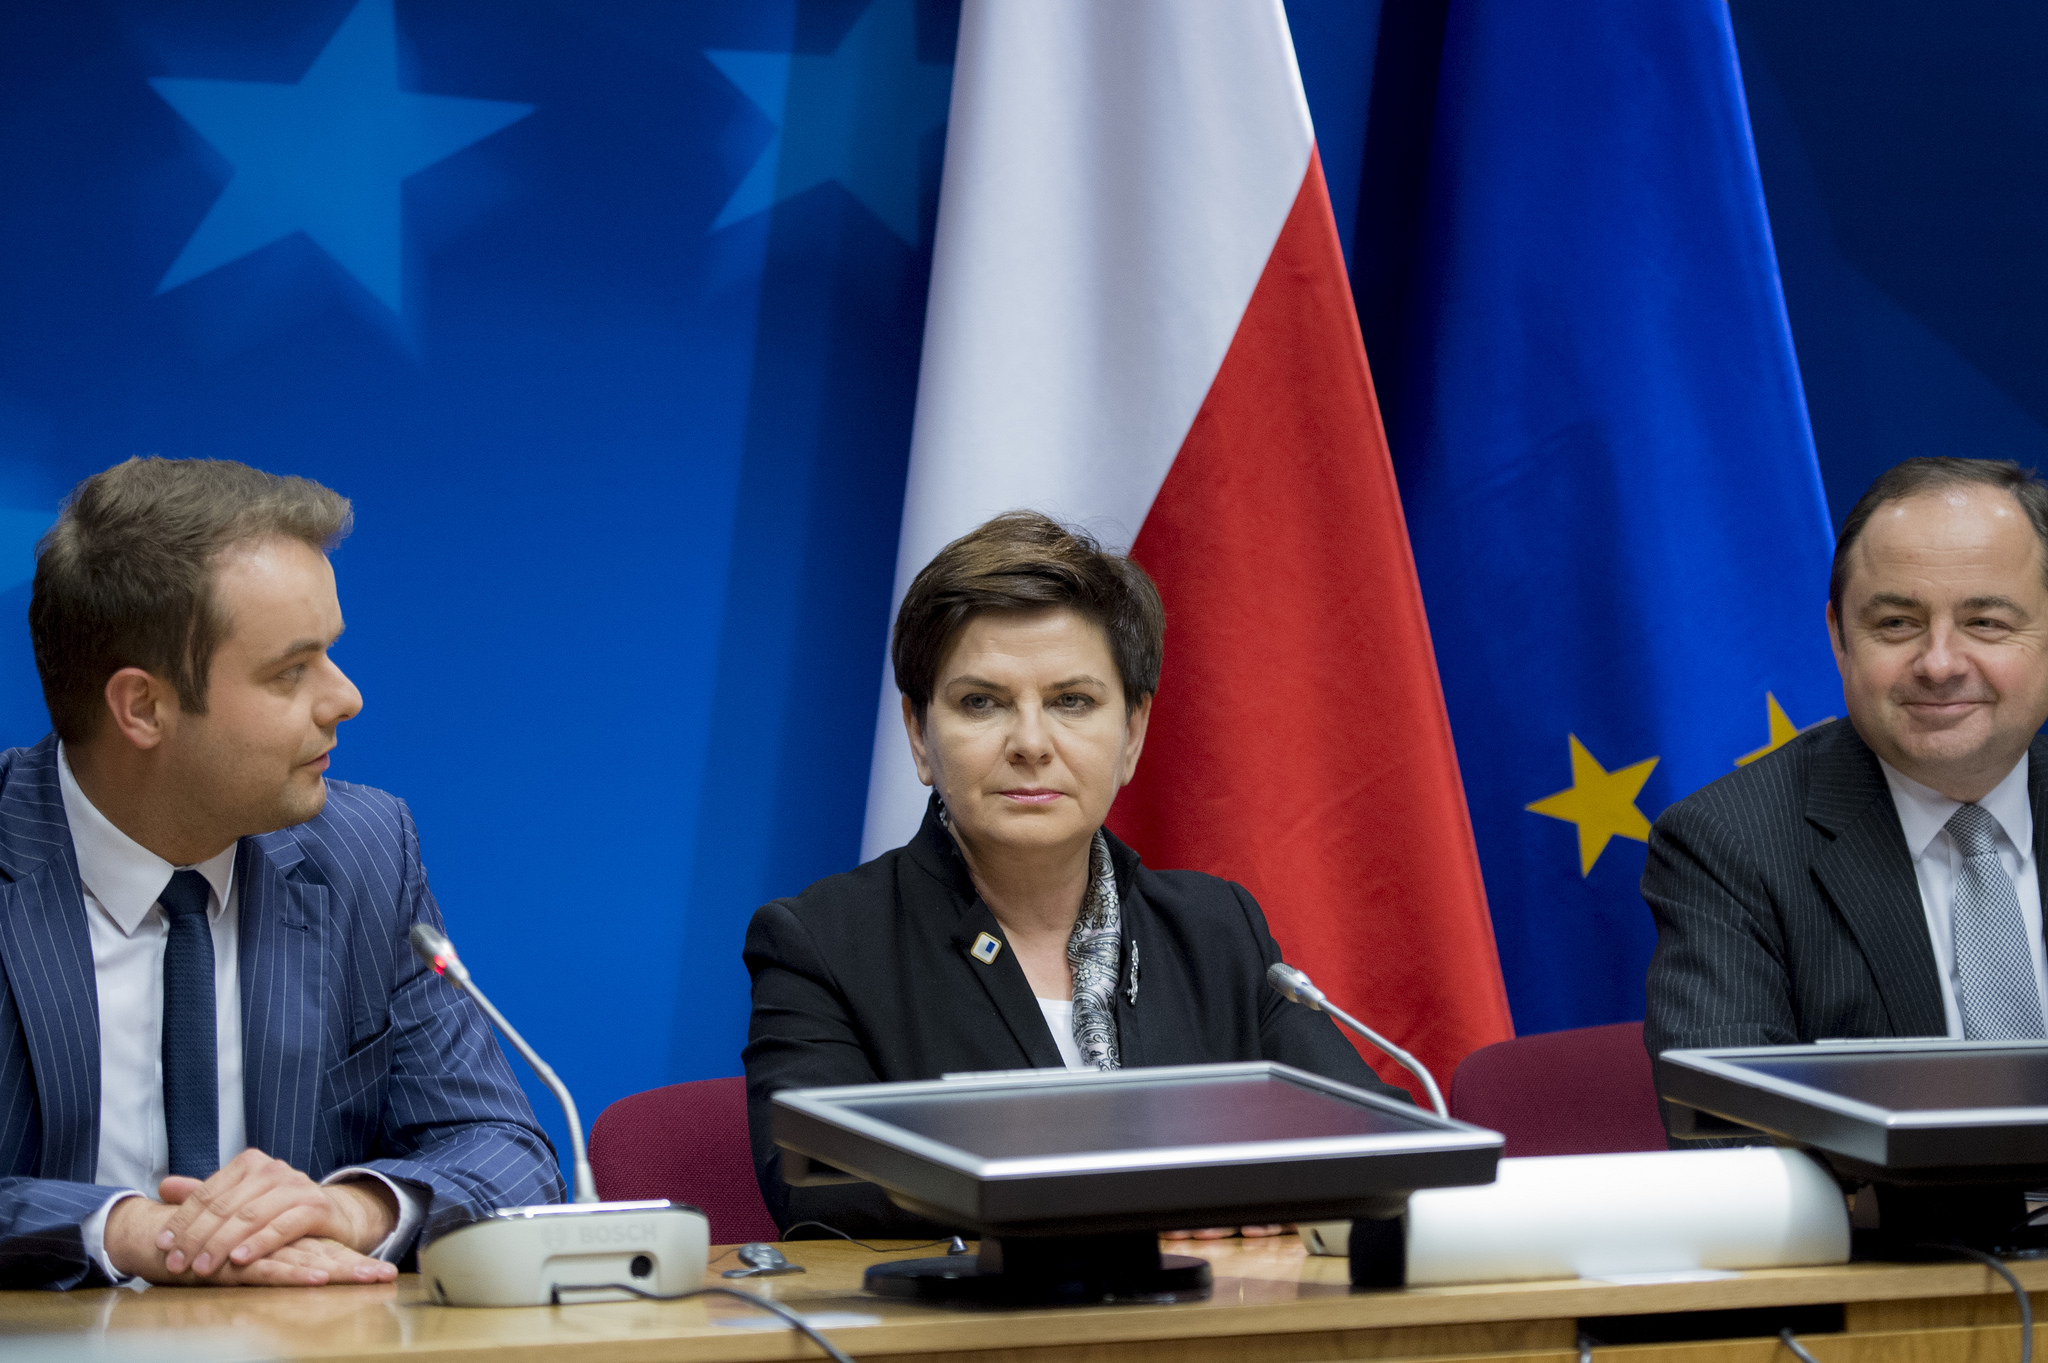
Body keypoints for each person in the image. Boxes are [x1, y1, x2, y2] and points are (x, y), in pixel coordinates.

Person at [742, 511, 1402, 1237]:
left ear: (1133, 735)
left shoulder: (1218, 931)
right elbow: (818, 1182)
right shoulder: (825, 944)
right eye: (981, 702)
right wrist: (1153, 1198)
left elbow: (1376, 1157)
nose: (1030, 742)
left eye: (1072, 701)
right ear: (919, 735)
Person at [0, 457, 561, 1290]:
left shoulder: (365, 850)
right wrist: (124, 1231)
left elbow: (506, 1150)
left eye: (330, 654)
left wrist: (352, 1207)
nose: (347, 697)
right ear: (143, 707)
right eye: (290, 670)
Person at [1644, 458, 2048, 1107]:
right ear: (1839, 639)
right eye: (1896, 624)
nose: (1939, 663)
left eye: (1986, 623)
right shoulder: (1730, 844)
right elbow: (1730, 1131)